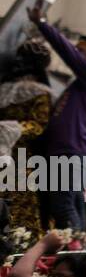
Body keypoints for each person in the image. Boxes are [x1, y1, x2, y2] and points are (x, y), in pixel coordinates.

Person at [26, 3, 86, 231]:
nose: (77, 53)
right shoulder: (79, 85)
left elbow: (68, 55)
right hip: (68, 151)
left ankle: (73, 257)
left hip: (73, 152)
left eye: (81, 50)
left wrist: (41, 23)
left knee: (63, 207)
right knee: (71, 204)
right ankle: (77, 253)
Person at [0, 37, 54, 235]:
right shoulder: (4, 89)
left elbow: (39, 124)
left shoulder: (40, 92)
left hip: (21, 156)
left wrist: (13, 129)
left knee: (20, 199)